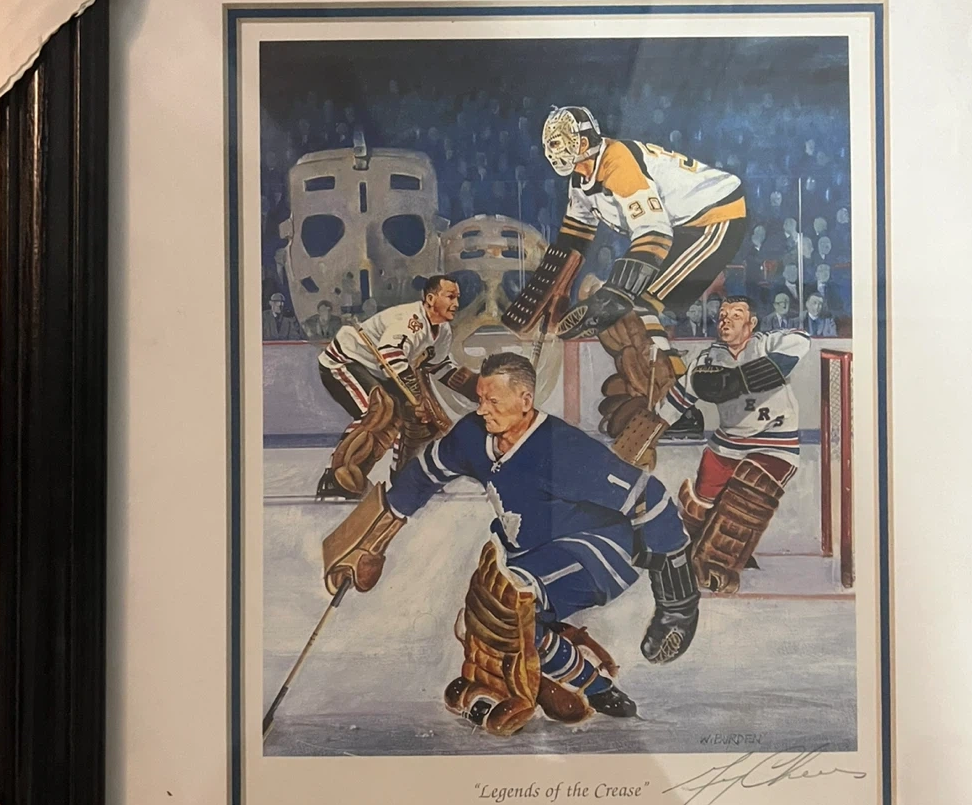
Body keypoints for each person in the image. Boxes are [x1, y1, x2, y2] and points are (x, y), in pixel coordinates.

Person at [320, 353, 699, 738]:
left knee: (508, 609)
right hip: (533, 553)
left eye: (493, 401)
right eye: (480, 399)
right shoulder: (473, 435)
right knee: (476, 619)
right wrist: (373, 540)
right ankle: (592, 685)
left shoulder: (562, 449)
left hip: (600, 551)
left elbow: (650, 497)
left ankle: (571, 682)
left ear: (525, 400)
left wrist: (677, 601)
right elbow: (424, 474)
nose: (482, 409)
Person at [504, 106, 747, 461]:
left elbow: (654, 234)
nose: (557, 150)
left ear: (584, 141)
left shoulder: (618, 163)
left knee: (636, 308)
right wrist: (549, 292)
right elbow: (573, 240)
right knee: (627, 314)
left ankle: (680, 409)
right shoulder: (581, 177)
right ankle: (652, 395)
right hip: (680, 224)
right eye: (553, 143)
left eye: (564, 141)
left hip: (716, 217)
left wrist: (616, 293)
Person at [619, 297, 808, 594]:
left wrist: (740, 379)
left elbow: (801, 340)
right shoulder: (708, 359)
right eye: (722, 314)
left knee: (748, 493)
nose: (726, 320)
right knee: (699, 506)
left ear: (751, 323)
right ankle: (695, 551)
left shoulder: (766, 344)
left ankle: (719, 564)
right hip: (727, 442)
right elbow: (680, 397)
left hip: (775, 439)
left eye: (736, 315)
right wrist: (650, 430)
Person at [315, 276, 479, 500]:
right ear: (431, 299)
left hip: (381, 371)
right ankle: (335, 478)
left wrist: (476, 388)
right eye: (450, 297)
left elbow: (438, 366)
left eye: (457, 297)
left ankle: (406, 475)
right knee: (381, 410)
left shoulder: (443, 330)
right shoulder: (412, 320)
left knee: (420, 422)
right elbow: (390, 354)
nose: (456, 304)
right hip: (346, 360)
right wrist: (417, 398)